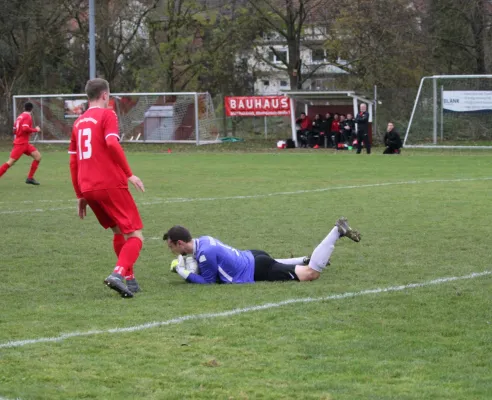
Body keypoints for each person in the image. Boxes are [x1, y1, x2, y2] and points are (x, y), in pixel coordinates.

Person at [69, 78, 146, 298]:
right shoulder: (107, 114)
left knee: (118, 230)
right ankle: (118, 274)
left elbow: (73, 162)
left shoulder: (78, 122)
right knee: (136, 235)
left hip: (88, 187)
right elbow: (112, 143)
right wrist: (130, 174)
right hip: (109, 183)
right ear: (105, 95)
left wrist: (80, 194)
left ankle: (129, 279)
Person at [164, 217, 361, 284]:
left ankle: (336, 231)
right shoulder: (204, 240)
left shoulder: (205, 254)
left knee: (311, 273)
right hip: (253, 256)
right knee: (280, 264)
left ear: (180, 243)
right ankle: (302, 259)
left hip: (256, 269)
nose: (172, 251)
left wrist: (182, 271)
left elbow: (208, 282)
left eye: (171, 246)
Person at [0, 102, 43, 184]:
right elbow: (25, 128)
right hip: (20, 144)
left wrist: (22, 135)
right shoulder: (27, 116)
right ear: (32, 109)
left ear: (24, 108)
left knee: (38, 157)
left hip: (25, 143)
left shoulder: (19, 116)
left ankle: (30, 178)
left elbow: (14, 130)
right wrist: (35, 130)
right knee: (10, 162)